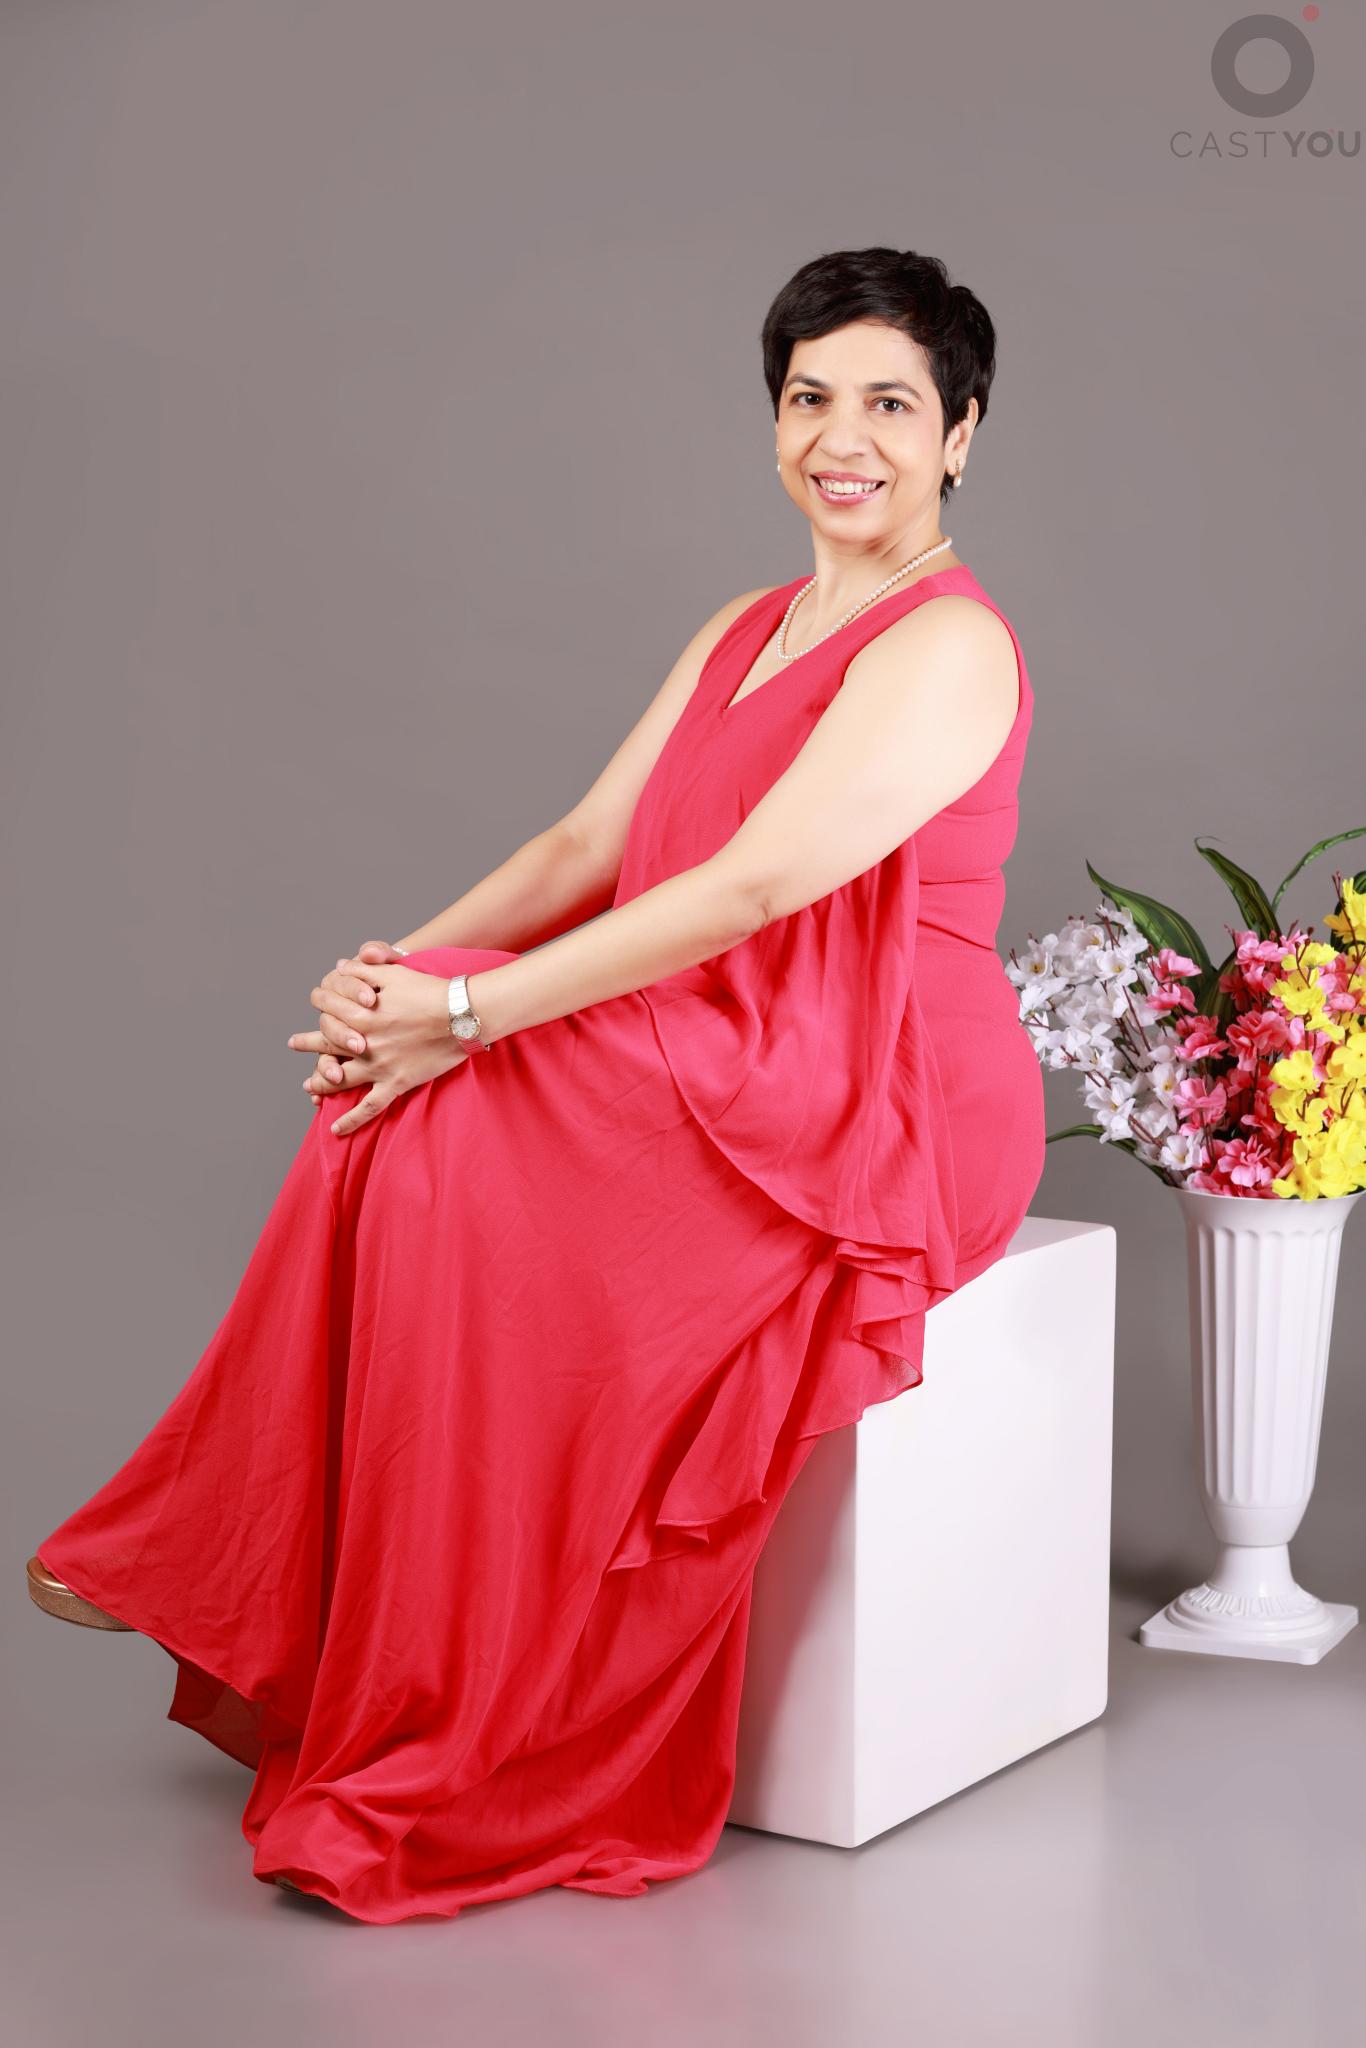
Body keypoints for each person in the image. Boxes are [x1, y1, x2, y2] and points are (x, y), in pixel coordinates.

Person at [26, 245, 1045, 1924]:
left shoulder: (946, 645)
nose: (841, 438)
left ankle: (378, 1661)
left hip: (876, 1082)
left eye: (889, 404)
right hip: (731, 1027)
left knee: (459, 1107)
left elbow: (750, 889)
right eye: (808, 398)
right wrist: (395, 977)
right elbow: (584, 846)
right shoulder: (746, 626)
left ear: (961, 434)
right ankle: (274, 1592)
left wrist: (471, 1014)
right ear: (771, 421)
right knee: (387, 1099)